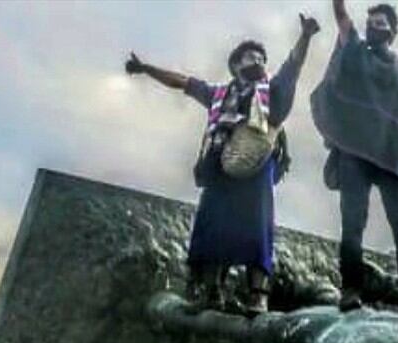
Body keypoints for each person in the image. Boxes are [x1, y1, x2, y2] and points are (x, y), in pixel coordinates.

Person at [125, 15, 320, 315]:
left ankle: (258, 295)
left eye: (260, 57)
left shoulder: (273, 91)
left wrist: (305, 35)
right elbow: (182, 82)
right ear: (236, 66)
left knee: (257, 226)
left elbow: (293, 64)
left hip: (256, 167)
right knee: (210, 224)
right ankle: (210, 291)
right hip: (220, 165)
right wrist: (145, 69)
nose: (256, 60)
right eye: (248, 57)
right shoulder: (218, 94)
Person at [311, 1, 398, 314]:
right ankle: (351, 289)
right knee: (353, 223)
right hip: (355, 152)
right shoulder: (356, 52)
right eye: (370, 22)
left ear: (393, 31)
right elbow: (342, 18)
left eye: (381, 23)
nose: (374, 26)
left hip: (392, 157)